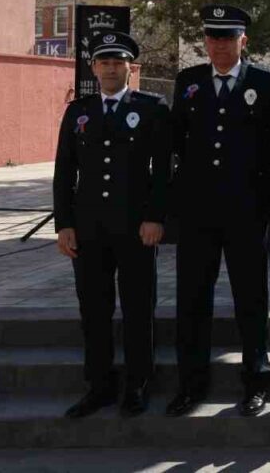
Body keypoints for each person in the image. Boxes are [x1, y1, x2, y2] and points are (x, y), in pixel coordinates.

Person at [166, 4, 270, 417]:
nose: (219, 45)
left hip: (247, 211)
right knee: (192, 301)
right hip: (197, 213)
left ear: (243, 41)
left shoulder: (266, 83)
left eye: (227, 38)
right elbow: (176, 141)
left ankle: (256, 381)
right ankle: (191, 385)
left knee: (251, 298)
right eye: (213, 37)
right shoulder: (189, 81)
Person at [52, 30, 170, 418]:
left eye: (119, 62)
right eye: (104, 62)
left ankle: (138, 383)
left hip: (136, 227)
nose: (111, 68)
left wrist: (155, 216)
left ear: (130, 68)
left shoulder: (151, 108)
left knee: (138, 307)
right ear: (94, 67)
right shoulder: (79, 111)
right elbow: (64, 171)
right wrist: (64, 223)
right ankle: (100, 384)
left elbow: (162, 171)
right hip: (88, 229)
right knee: (94, 308)